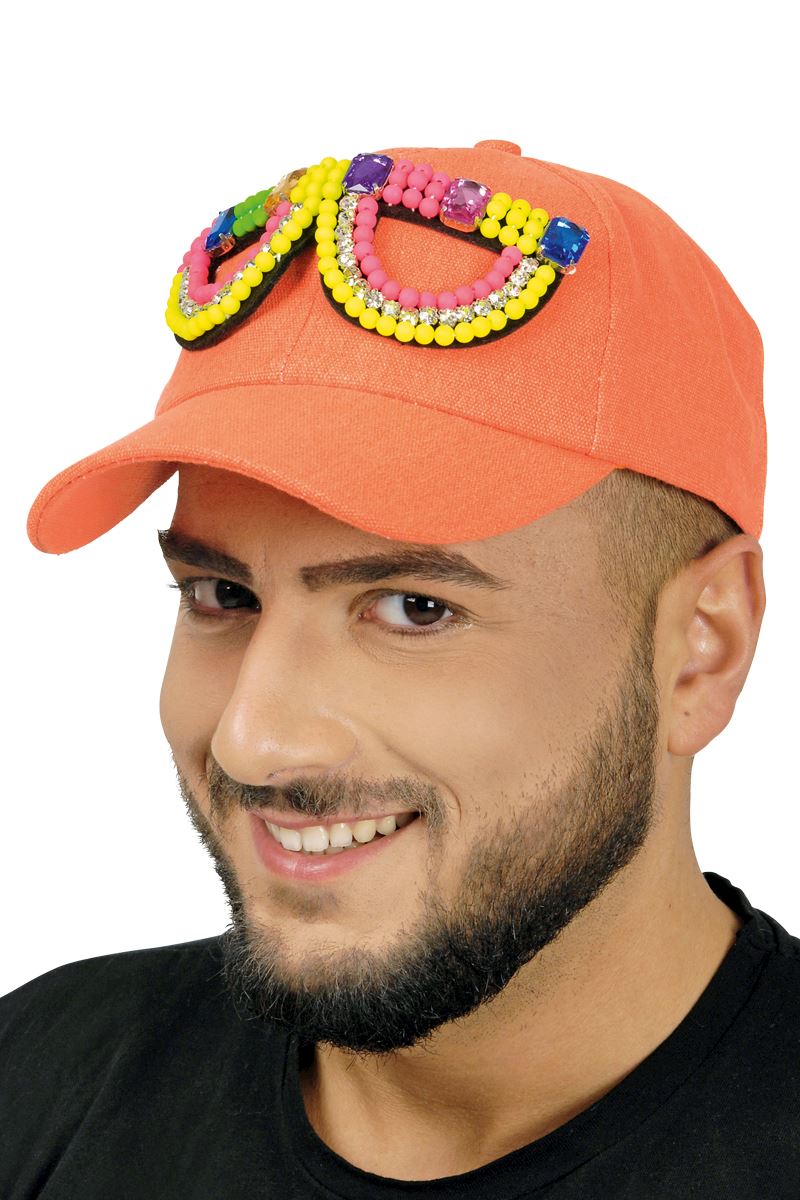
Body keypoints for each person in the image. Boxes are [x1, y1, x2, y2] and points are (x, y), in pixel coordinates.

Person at [3, 140, 797, 1198]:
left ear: (704, 648)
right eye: (220, 595)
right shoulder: (40, 1076)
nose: (252, 741)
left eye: (413, 608)